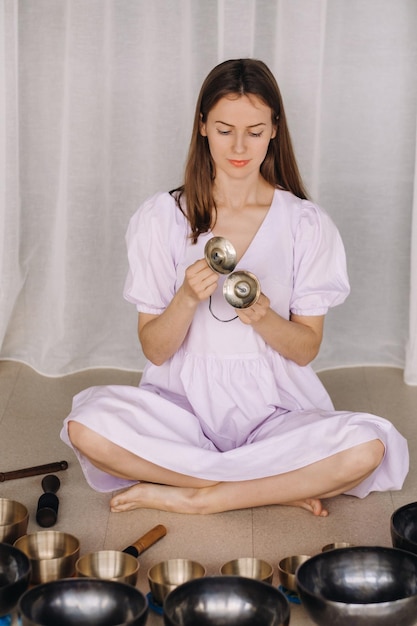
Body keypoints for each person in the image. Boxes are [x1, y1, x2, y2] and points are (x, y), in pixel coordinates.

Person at [61, 58, 408, 517]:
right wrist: (185, 299)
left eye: (255, 131)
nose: (240, 146)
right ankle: (272, 486)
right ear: (202, 126)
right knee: (86, 425)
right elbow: (155, 350)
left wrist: (264, 317)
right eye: (225, 129)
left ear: (275, 130)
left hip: (276, 411)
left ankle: (199, 498)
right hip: (181, 409)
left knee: (368, 448)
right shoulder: (161, 218)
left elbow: (305, 351)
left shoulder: (306, 223)